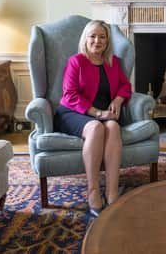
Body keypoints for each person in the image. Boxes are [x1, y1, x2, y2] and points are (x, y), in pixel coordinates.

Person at [54, 20, 130, 217]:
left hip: (105, 114)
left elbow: (125, 86)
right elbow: (69, 95)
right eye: (93, 36)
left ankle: (112, 192)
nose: (97, 40)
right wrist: (97, 113)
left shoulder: (113, 62)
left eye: (102, 37)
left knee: (113, 127)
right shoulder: (76, 61)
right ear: (85, 39)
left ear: (107, 40)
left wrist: (119, 100)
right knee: (96, 127)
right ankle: (93, 191)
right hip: (74, 112)